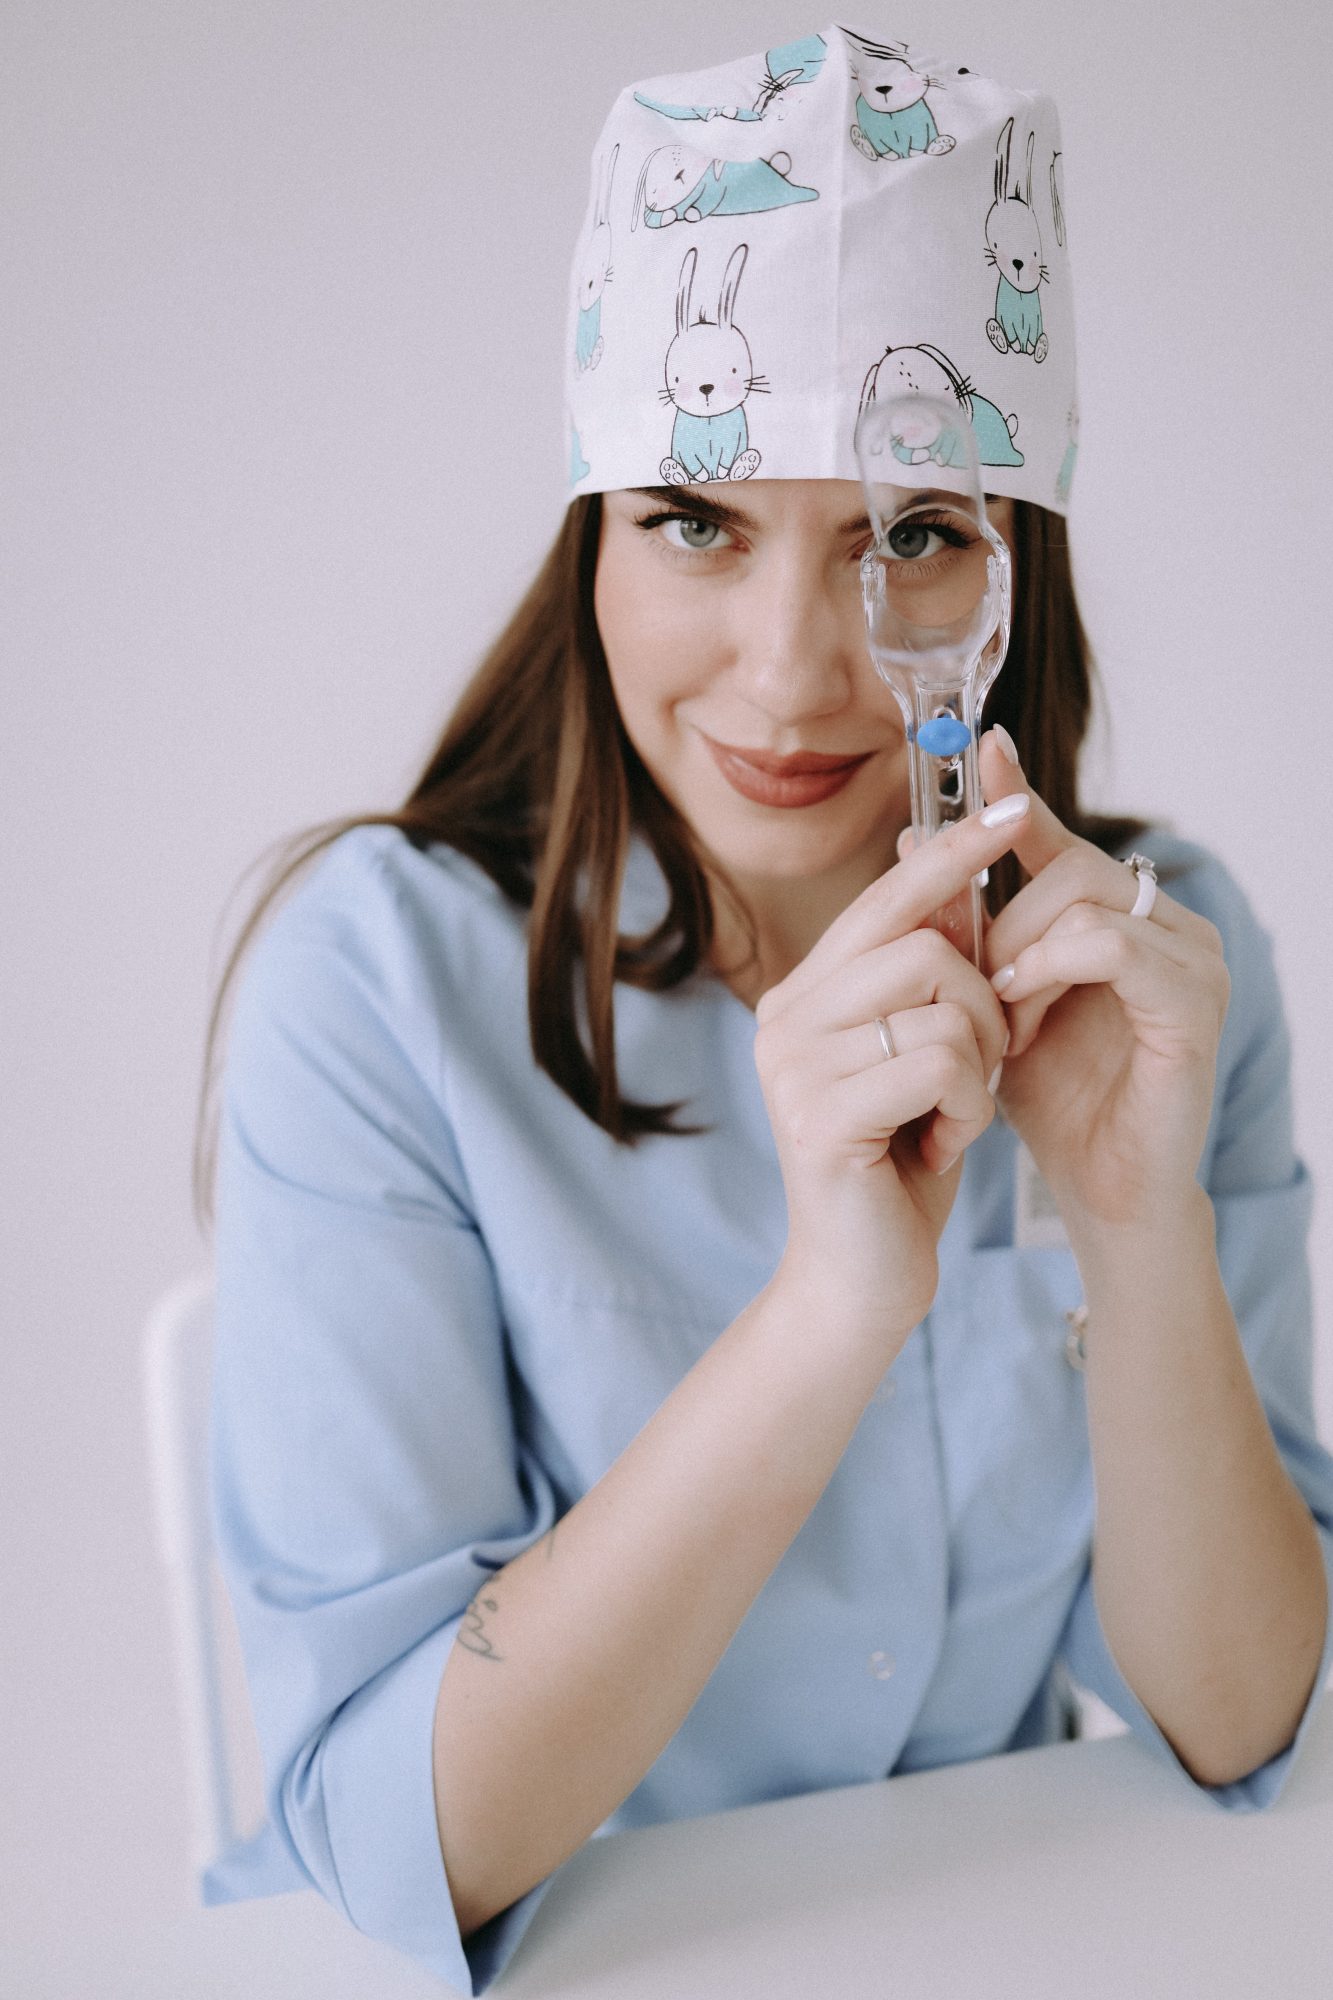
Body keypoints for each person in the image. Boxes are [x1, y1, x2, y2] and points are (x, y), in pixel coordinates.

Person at [195, 23, 1333, 1998]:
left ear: (1016, 566)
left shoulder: (1155, 967)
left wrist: (1134, 1227)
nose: (796, 670)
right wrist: (830, 1304)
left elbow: (1242, 1723)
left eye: (912, 533)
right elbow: (398, 1838)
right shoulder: (371, 984)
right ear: (592, 532)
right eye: (696, 521)